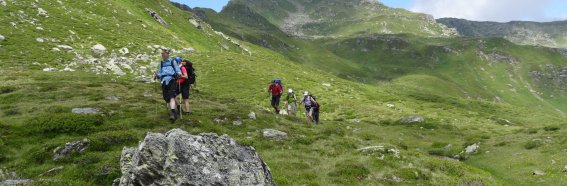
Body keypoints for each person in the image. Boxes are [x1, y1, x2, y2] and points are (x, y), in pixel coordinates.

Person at [154, 48, 182, 123]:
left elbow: (178, 70)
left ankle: (172, 113)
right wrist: (157, 75)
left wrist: (179, 73)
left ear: (167, 54)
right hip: (164, 81)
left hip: (172, 80)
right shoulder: (161, 63)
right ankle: (172, 113)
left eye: (163, 53)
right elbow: (160, 74)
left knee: (172, 96)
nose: (162, 55)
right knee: (166, 98)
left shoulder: (173, 61)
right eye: (161, 53)